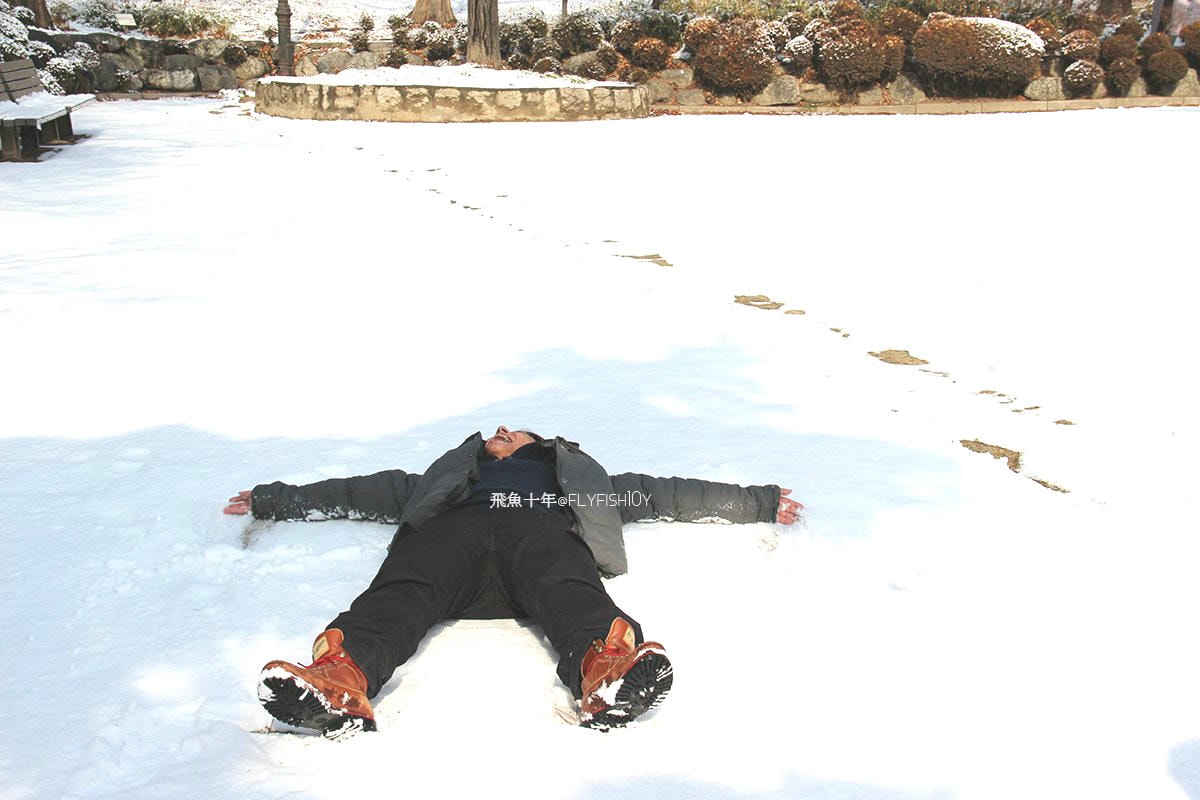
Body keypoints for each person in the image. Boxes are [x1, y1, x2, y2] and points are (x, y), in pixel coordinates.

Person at [226, 425, 802, 737]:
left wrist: (758, 501)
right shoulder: (444, 481)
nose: (501, 430)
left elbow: (664, 493)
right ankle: (338, 680)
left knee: (569, 588)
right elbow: (357, 492)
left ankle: (607, 673)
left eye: (517, 431)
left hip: (538, 536)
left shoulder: (575, 481)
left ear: (543, 448)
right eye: (496, 431)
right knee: (402, 591)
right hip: (455, 537)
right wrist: (276, 500)